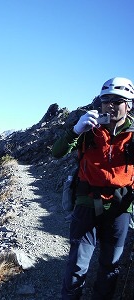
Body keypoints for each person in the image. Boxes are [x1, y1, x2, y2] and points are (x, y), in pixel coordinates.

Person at [52, 77, 134, 299]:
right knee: (77, 264)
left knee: (111, 266)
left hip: (120, 209)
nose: (110, 105)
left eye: (117, 101)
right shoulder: (89, 130)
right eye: (105, 100)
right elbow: (57, 152)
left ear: (129, 104)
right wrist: (75, 130)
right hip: (87, 203)